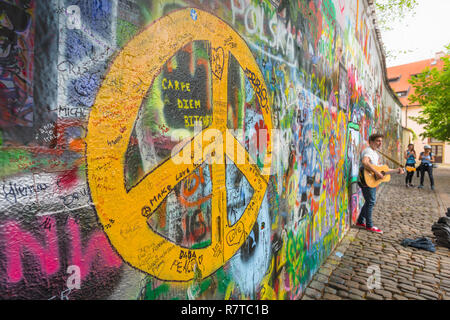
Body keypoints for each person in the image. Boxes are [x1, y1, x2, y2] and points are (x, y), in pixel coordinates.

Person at [356, 134, 404, 234]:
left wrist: (396, 170)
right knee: (371, 201)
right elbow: (365, 162)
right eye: (378, 141)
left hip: (370, 179)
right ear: (371, 141)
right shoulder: (368, 151)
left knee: (369, 201)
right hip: (366, 179)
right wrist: (377, 173)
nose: (380, 143)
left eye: (381, 141)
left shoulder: (375, 153)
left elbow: (382, 169)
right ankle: (369, 225)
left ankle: (360, 221)